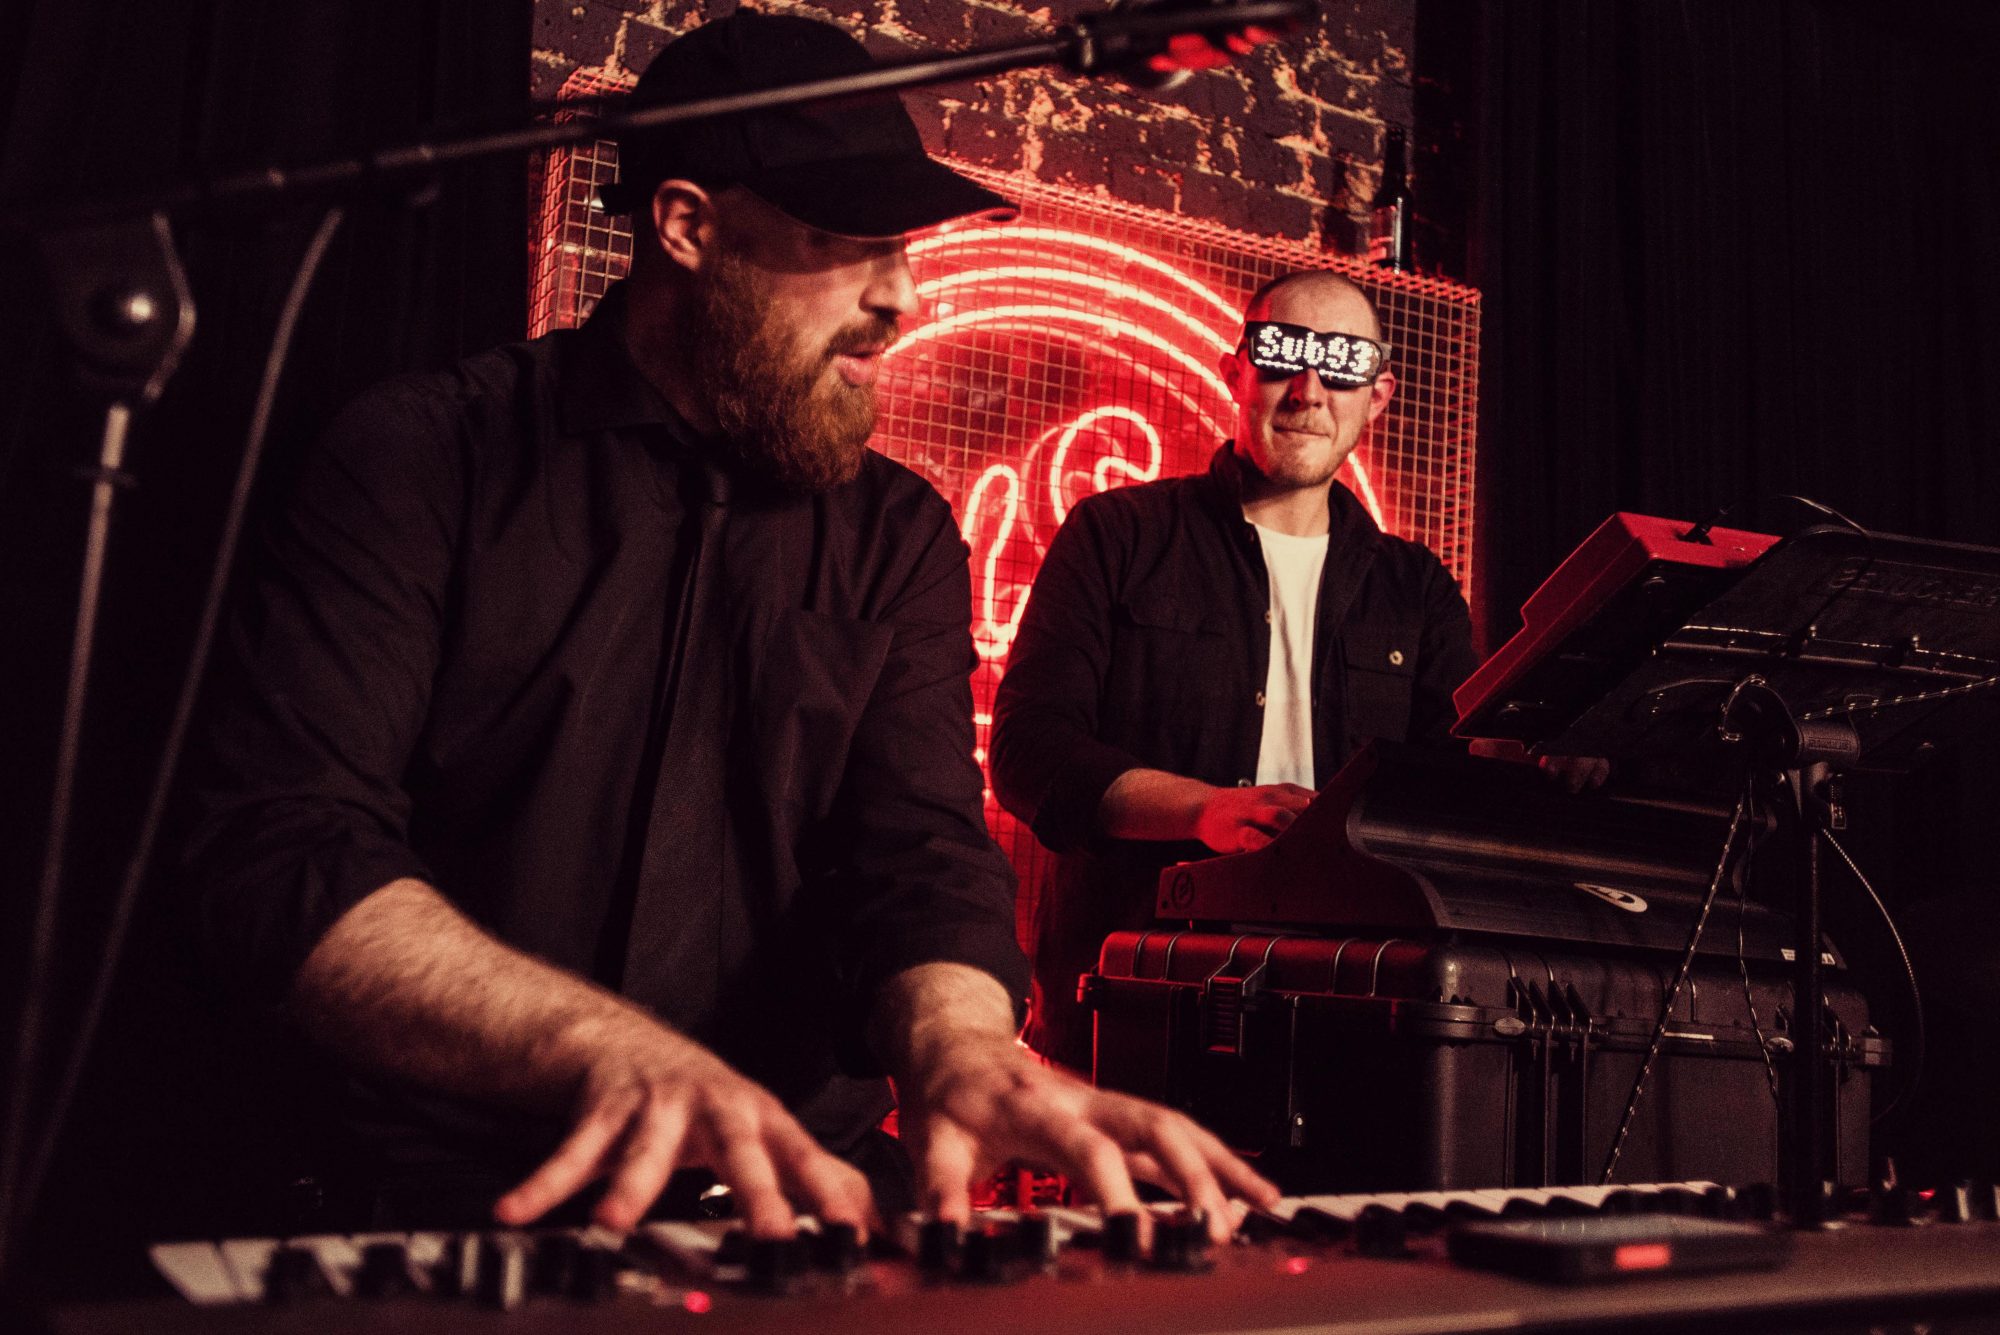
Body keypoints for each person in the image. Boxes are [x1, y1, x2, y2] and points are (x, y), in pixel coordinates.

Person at [178, 11, 1275, 1244]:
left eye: (902, 247)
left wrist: (966, 1051)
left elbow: (914, 852)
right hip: (452, 1199)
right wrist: (611, 1052)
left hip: (795, 1202)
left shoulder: (895, 533)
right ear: (688, 225)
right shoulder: (423, 457)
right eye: (840, 240)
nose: (899, 294)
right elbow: (285, 849)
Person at [990, 270, 1479, 1073]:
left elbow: (1456, 783)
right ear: (1236, 371)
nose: (1309, 389)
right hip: (1131, 1005)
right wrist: (1207, 811)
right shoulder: (1117, 535)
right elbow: (1028, 753)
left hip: (1350, 1017)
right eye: (1284, 352)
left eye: (1343, 364)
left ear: (1379, 396)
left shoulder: (1416, 588)